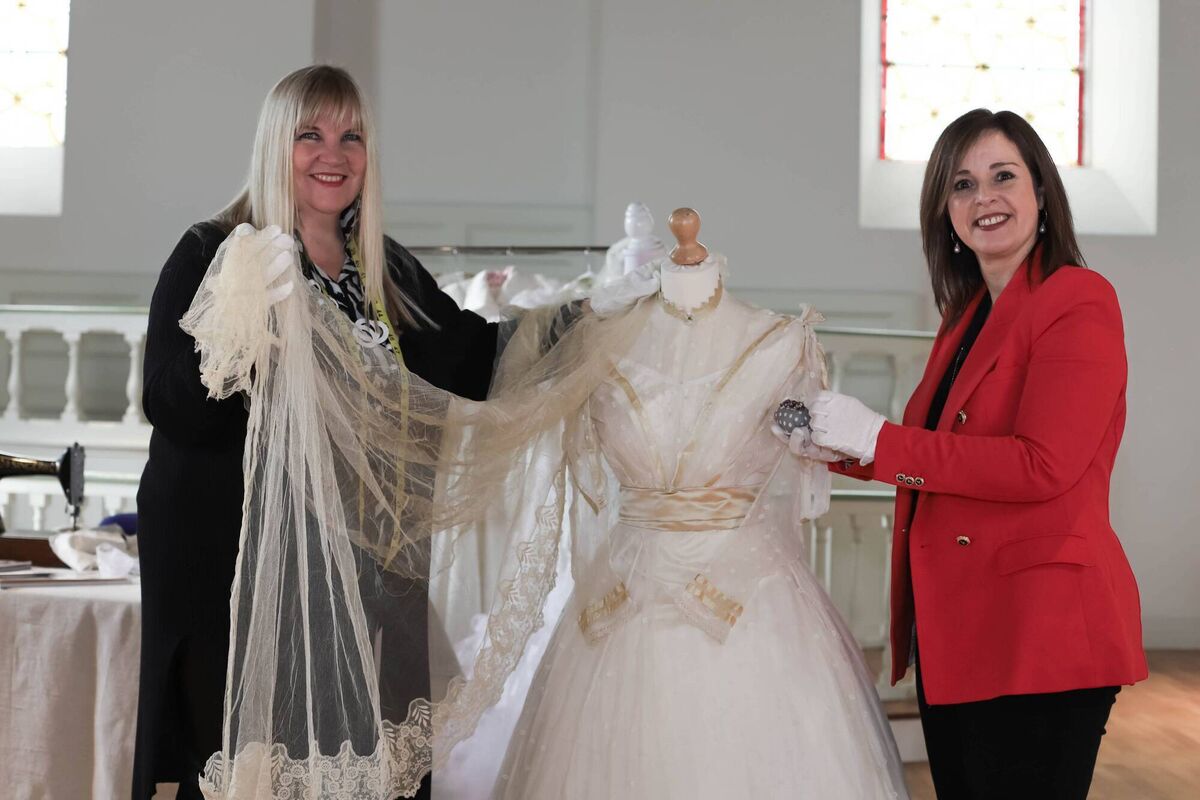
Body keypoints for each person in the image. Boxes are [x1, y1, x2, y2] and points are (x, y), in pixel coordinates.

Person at [133, 65, 498, 800]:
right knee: (248, 766)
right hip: (230, 567)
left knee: (356, 763)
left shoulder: (380, 266)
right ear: (277, 144)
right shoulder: (214, 249)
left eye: (351, 136)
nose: (334, 154)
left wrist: (589, 327)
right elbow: (170, 406)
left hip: (356, 568)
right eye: (311, 135)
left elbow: (470, 358)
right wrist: (241, 328)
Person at [794, 109, 1147, 799]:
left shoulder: (1078, 298)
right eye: (962, 184)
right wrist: (839, 447)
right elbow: (944, 457)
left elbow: (1042, 464)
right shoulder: (965, 318)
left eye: (1003, 176)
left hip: (1041, 634)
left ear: (1042, 193)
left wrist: (880, 439)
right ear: (943, 211)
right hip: (961, 629)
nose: (983, 197)